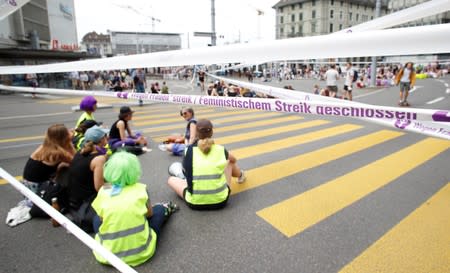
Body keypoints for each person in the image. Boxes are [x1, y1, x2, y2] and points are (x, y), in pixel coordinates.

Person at [92, 151, 178, 266]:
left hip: (109, 256)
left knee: (96, 219)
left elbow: (102, 219)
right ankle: (166, 208)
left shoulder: (104, 190)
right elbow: (149, 214)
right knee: (158, 211)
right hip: (141, 252)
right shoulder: (140, 188)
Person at [167, 119, 246, 210]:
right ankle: (241, 175)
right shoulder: (220, 149)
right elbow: (234, 160)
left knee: (171, 179)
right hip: (220, 201)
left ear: (196, 133)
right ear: (212, 132)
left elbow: (186, 172)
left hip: (194, 202)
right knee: (229, 162)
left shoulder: (188, 150)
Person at [66, 125, 108, 231]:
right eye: (105, 136)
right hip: (86, 200)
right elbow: (100, 188)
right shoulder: (99, 159)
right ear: (102, 140)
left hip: (74, 198)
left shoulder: (80, 152)